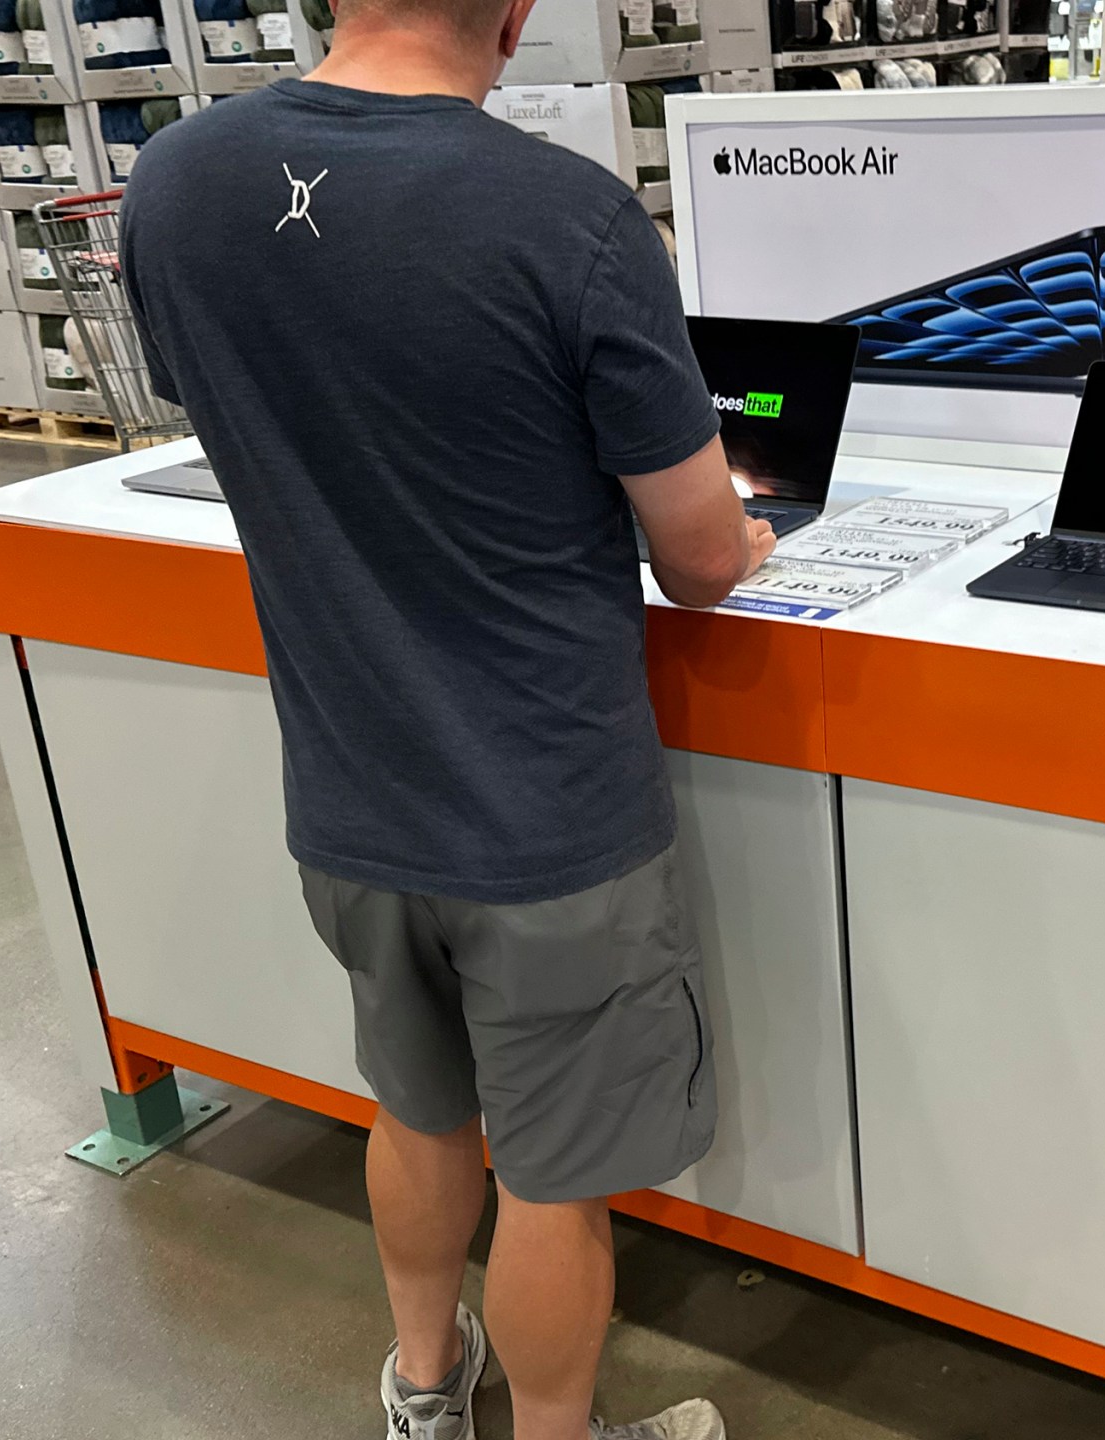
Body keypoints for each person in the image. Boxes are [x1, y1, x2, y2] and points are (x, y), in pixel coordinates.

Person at [115, 0, 780, 1433]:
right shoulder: (573, 220)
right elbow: (705, 563)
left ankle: (425, 1387)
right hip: (546, 814)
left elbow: (263, 417)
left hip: (352, 789)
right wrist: (736, 528)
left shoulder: (176, 180)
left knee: (416, 1108)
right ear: (520, 13)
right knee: (555, 1177)